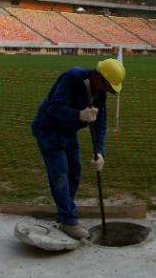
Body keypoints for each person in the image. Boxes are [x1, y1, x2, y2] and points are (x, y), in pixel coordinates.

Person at [30, 58, 126, 239]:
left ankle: (64, 212)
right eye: (106, 86)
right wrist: (79, 115)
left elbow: (100, 123)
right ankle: (68, 219)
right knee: (60, 173)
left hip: (68, 131)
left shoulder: (99, 92)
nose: (106, 91)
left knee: (75, 172)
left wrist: (100, 152)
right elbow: (54, 108)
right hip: (48, 130)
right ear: (98, 77)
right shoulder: (72, 77)